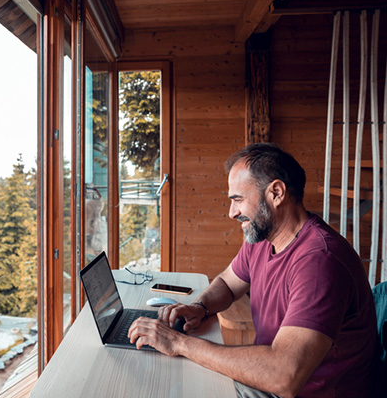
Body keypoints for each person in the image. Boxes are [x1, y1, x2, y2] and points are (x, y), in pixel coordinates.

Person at [128, 143, 380, 398]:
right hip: (271, 378)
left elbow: (284, 375)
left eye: (238, 199)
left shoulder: (320, 261)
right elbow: (228, 283)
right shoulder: (263, 238)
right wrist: (200, 307)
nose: (231, 212)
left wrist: (178, 343)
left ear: (277, 193)